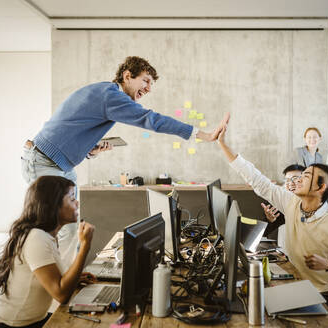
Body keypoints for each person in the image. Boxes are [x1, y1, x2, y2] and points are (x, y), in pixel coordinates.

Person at [21, 56, 229, 264]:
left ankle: (65, 277)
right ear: (127, 76)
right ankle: (57, 283)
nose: (148, 88)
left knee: (69, 228)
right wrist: (205, 135)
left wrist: (90, 150)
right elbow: (152, 120)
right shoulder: (110, 97)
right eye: (145, 80)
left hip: (59, 164)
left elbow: (71, 127)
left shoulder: (105, 92)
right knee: (51, 228)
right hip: (43, 161)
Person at [217, 126, 328, 320]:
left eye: (305, 177)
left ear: (321, 187)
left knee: (259, 312)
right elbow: (257, 180)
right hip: (298, 286)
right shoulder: (292, 202)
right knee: (249, 302)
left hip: (326, 296)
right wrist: (223, 145)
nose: (298, 180)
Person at [0, 176, 95, 327]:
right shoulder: (36, 238)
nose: (77, 203)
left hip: (30, 321)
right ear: (53, 205)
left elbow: (56, 281)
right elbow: (61, 294)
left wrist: (75, 278)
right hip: (9, 325)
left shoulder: (45, 236)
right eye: (71, 198)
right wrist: (85, 245)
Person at [261, 164, 305, 251]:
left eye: (295, 179)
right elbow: (263, 233)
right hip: (286, 254)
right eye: (287, 180)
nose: (291, 183)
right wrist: (270, 220)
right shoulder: (281, 203)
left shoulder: (314, 202)